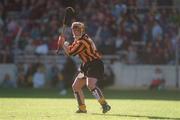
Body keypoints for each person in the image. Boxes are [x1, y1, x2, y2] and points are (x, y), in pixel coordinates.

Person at [57, 22, 111, 113]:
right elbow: (70, 50)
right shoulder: (78, 40)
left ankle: (104, 105)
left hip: (94, 64)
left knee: (90, 85)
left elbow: (71, 53)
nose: (75, 32)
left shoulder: (83, 41)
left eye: (77, 30)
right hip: (85, 64)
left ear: (82, 30)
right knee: (76, 86)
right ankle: (82, 108)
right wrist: (65, 45)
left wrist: (63, 44)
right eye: (74, 29)